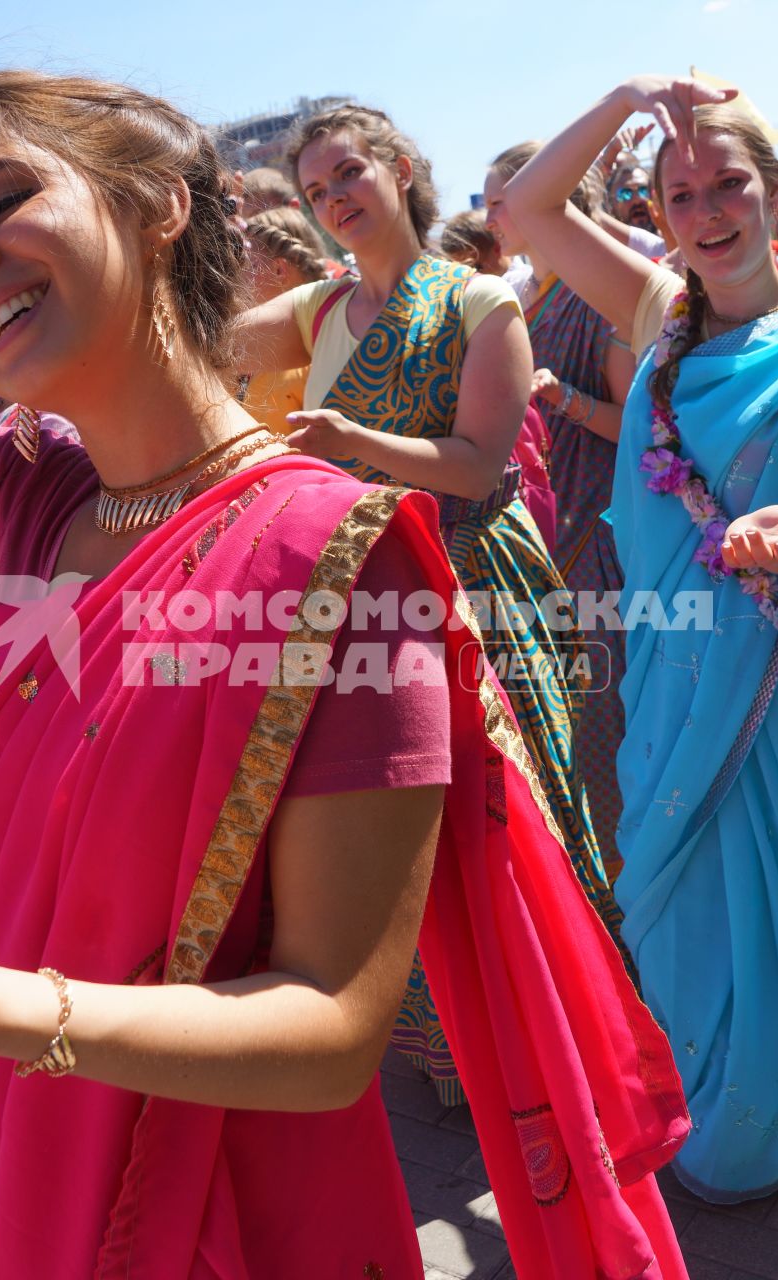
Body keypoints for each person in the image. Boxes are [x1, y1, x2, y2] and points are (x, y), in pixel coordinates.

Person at [0, 8, 693, 1276]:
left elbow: (334, 1022)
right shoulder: (34, 496)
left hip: (223, 1205)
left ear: (161, 206)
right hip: (19, 1142)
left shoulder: (334, 552)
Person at [506, 82, 778, 1201]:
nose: (708, 209)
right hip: (675, 677)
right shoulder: (657, 312)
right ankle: (714, 1116)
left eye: (730, 182)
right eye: (679, 191)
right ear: (658, 210)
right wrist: (626, 101)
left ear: (776, 193)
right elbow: (531, 204)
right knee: (684, 906)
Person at [234, 102, 623, 1103]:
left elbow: (479, 461)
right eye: (318, 191)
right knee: (398, 831)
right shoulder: (316, 311)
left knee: (509, 812)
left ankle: (553, 1024)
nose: (336, 200)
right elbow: (199, 348)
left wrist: (353, 444)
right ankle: (450, 1047)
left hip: (473, 582)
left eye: (349, 173)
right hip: (363, 597)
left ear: (400, 167)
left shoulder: (479, 300)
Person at [483, 139, 636, 873]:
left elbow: (643, 425)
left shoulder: (600, 296)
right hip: (528, 550)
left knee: (603, 731)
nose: (491, 214)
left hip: (595, 544)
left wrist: (566, 400)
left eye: (501, 198)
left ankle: (626, 915)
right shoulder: (510, 297)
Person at [240, 206, 325, 434]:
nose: (237, 277)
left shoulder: (317, 354)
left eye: (247, 265)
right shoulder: (248, 345)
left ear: (279, 270)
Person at [435, 205, 506, 274]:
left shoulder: (513, 282)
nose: (466, 276)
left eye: (477, 268)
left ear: (498, 248)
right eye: (457, 271)